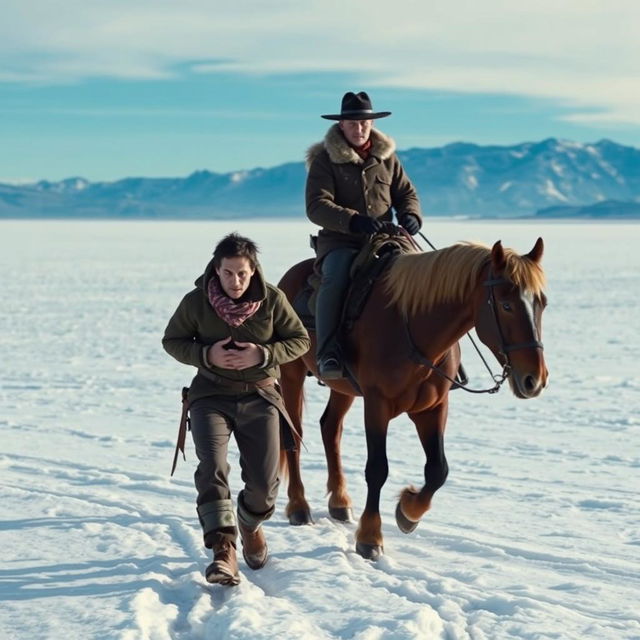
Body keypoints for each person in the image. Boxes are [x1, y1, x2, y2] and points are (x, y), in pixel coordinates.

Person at [162, 233, 310, 586]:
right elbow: (172, 340)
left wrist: (263, 354)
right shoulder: (197, 301)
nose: (236, 281)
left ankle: (250, 522)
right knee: (212, 466)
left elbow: (300, 339)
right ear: (217, 269)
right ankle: (223, 550)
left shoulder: (273, 299)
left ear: (253, 269)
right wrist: (205, 355)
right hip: (210, 396)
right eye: (228, 273)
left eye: (242, 274)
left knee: (265, 484)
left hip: (260, 397)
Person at [305, 91, 423, 379]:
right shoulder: (325, 160)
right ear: (341, 125)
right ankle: (328, 352)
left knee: (427, 276)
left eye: (365, 123)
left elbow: (406, 193)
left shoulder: (387, 159)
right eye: (353, 123)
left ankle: (443, 358)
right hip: (342, 241)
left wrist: (411, 214)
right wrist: (353, 221)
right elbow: (316, 205)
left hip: (387, 239)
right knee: (335, 278)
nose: (359, 129)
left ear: (372, 125)